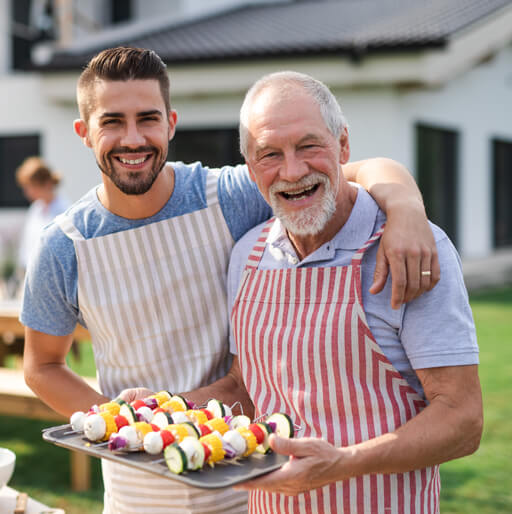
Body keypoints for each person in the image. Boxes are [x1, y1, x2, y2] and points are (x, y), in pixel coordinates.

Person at [21, 47, 439, 514]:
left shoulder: (229, 196)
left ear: (172, 123)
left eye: (148, 119)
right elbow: (42, 366)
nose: (133, 139)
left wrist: (406, 209)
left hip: (249, 477)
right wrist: (124, 425)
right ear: (84, 132)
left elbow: (355, 169)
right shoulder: (63, 244)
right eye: (113, 122)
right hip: (135, 488)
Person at [215, 71, 482, 513]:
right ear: (250, 167)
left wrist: (343, 464)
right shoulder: (247, 253)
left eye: (309, 146)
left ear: (343, 146)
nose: (293, 171)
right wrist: (163, 408)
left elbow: (462, 419)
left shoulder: (409, 248)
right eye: (270, 154)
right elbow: (247, 387)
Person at [15, 156, 68, 273]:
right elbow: (27, 245)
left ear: (47, 184)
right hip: (33, 273)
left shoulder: (64, 212)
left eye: (31, 186)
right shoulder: (35, 209)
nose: (27, 192)